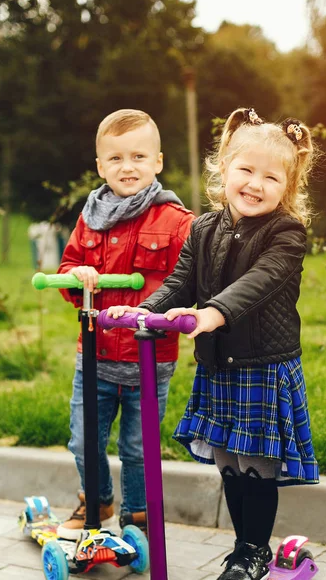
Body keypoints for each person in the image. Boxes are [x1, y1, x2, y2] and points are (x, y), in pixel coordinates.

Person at [107, 107, 320, 580]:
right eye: (245, 170)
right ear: (224, 168)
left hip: (263, 365)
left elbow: (258, 283)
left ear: (288, 186)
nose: (255, 184)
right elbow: (181, 282)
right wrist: (147, 308)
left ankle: (253, 550)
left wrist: (210, 313)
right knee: (227, 459)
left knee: (254, 461)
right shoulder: (203, 229)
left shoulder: (287, 233)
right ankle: (243, 548)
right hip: (219, 363)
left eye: (271, 177)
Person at [56, 108, 195, 540]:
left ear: (157, 162)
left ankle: (137, 514)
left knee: (137, 449)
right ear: (100, 166)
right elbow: (66, 271)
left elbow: (189, 280)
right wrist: (76, 277)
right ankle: (95, 500)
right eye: (115, 159)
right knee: (84, 441)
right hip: (95, 357)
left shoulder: (175, 222)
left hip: (149, 359)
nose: (127, 167)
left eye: (138, 156)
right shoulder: (90, 217)